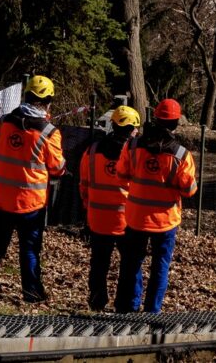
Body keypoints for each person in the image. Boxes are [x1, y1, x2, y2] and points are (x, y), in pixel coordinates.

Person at [0, 75, 65, 302]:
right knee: (29, 250)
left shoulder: (6, 120)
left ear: (27, 95)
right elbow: (57, 167)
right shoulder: (49, 132)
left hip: (2, 198)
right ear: (48, 101)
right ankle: (31, 293)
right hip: (31, 203)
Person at [114, 98, 197, 314]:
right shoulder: (181, 155)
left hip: (136, 217)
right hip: (165, 220)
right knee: (160, 266)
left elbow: (121, 174)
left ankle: (130, 308)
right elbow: (189, 190)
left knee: (132, 263)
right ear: (176, 122)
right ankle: (152, 312)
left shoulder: (132, 145)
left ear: (155, 117)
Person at [80, 104, 139, 311]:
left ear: (113, 125)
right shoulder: (135, 154)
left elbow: (84, 184)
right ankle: (127, 305)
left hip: (97, 218)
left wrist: (88, 208)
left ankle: (97, 300)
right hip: (127, 220)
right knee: (130, 265)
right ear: (133, 129)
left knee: (98, 263)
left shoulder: (92, 150)